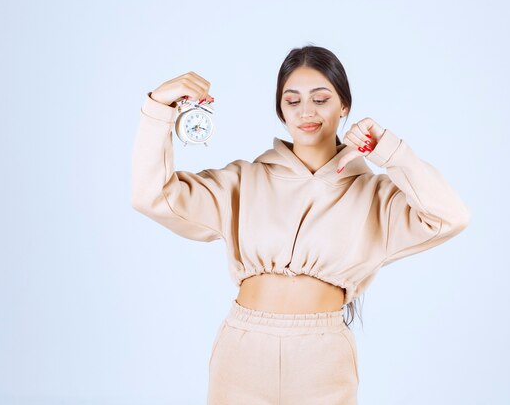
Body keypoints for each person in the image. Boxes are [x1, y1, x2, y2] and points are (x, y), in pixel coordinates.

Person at [130, 45, 471, 405]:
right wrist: (158, 108)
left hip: (323, 358)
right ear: (281, 110)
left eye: (321, 99)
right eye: (292, 101)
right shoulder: (243, 180)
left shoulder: (375, 195)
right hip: (243, 349)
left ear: (344, 106)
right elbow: (151, 196)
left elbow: (450, 216)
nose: (306, 111)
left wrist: (390, 151)